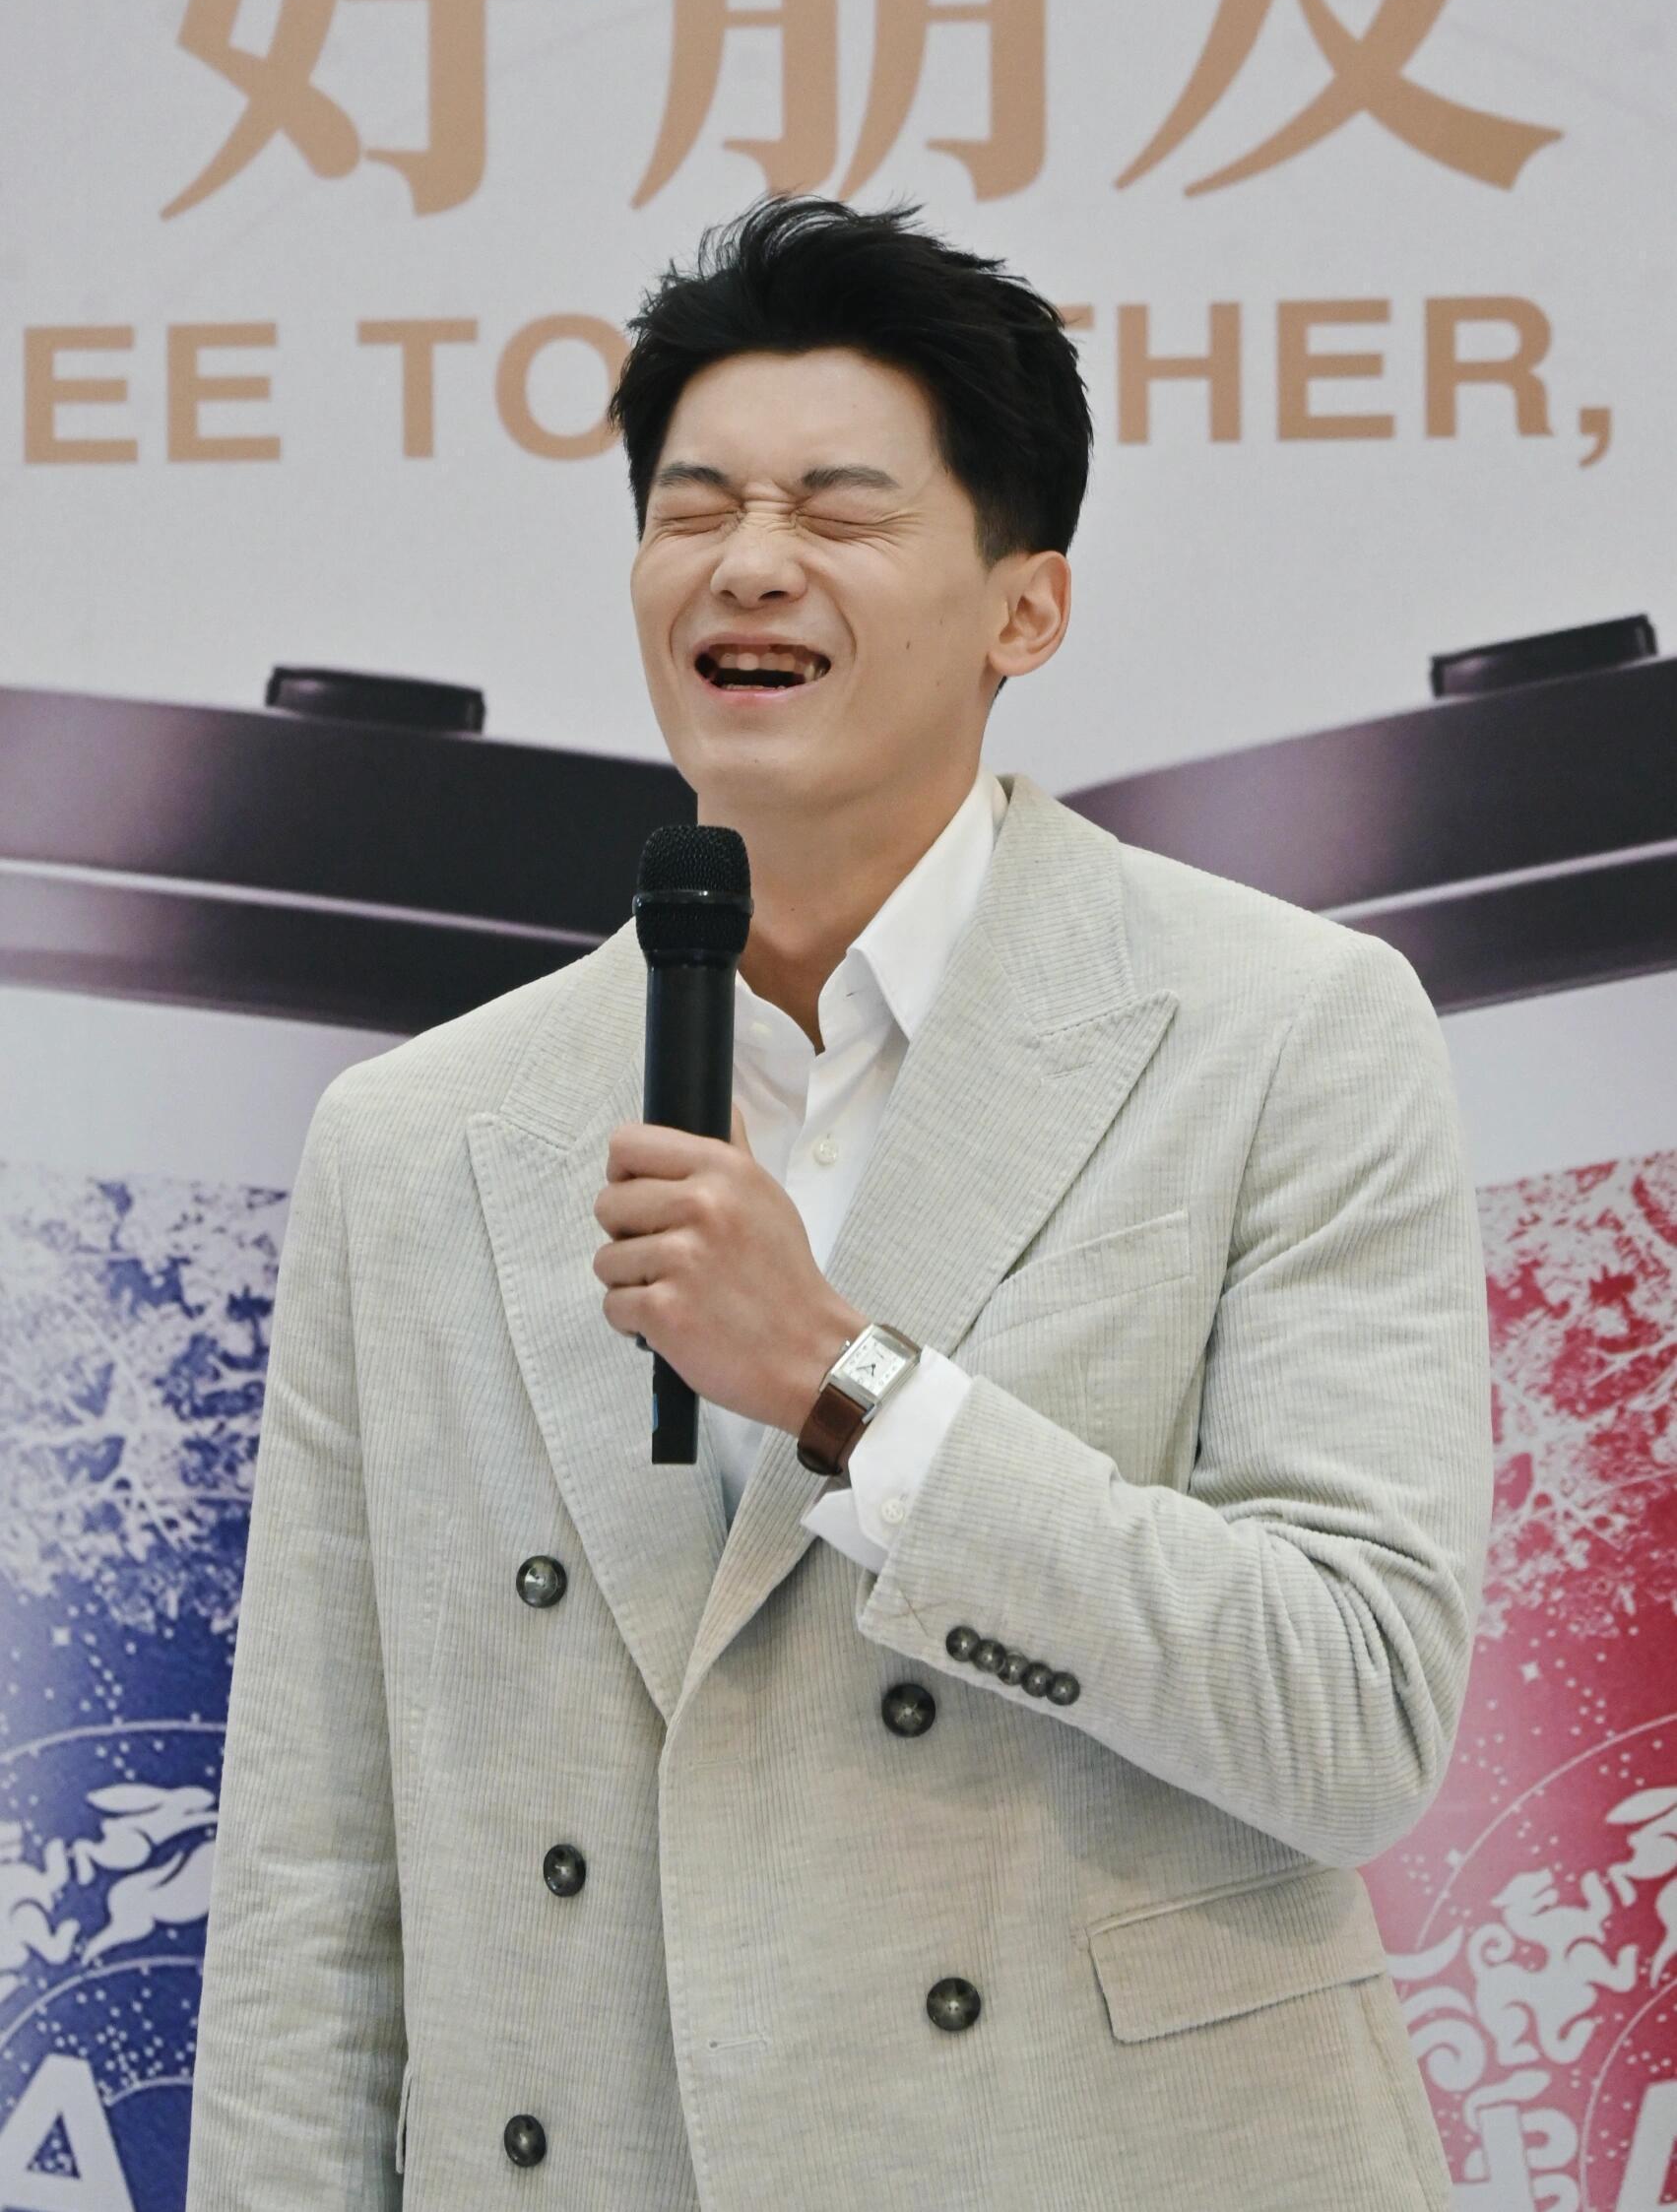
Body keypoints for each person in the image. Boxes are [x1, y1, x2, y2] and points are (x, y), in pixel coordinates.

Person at [183, 194, 1490, 2211]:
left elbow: (1356, 1713)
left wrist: (847, 1381)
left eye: (839, 508)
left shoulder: (1283, 1030)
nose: (749, 560)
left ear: (1024, 609)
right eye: (692, 506)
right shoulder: (417, 1133)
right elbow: (311, 1876)